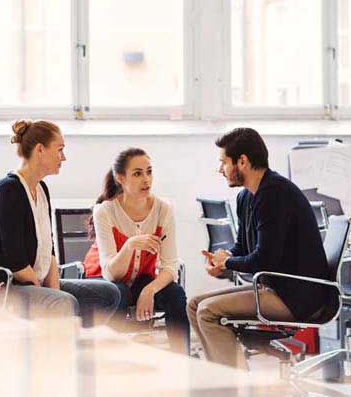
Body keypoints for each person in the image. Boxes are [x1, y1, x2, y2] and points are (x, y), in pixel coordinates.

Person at [187, 127, 331, 368]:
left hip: (297, 296)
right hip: (273, 287)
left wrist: (228, 262)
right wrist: (223, 262)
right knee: (193, 306)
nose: (220, 170)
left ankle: (235, 388)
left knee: (207, 312)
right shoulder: (247, 196)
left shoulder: (275, 194)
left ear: (242, 161)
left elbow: (264, 260)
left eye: (223, 163)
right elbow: (243, 247)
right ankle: (221, 384)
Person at [0, 119, 120, 327]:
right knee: (65, 303)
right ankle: (59, 349)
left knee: (109, 294)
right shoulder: (8, 191)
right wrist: (48, 294)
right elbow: (16, 262)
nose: (64, 157)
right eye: (60, 150)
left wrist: (52, 290)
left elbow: (49, 251)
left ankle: (70, 342)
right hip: (6, 287)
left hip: (36, 283)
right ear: (40, 149)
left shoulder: (41, 189)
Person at [84, 148, 190, 354]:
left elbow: (169, 266)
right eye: (137, 173)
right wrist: (130, 244)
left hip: (142, 279)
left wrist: (148, 290)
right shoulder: (105, 211)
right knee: (119, 292)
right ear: (120, 178)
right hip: (103, 279)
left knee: (175, 293)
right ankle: (107, 359)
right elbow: (111, 273)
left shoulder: (163, 210)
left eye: (149, 172)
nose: (146, 179)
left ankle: (183, 361)